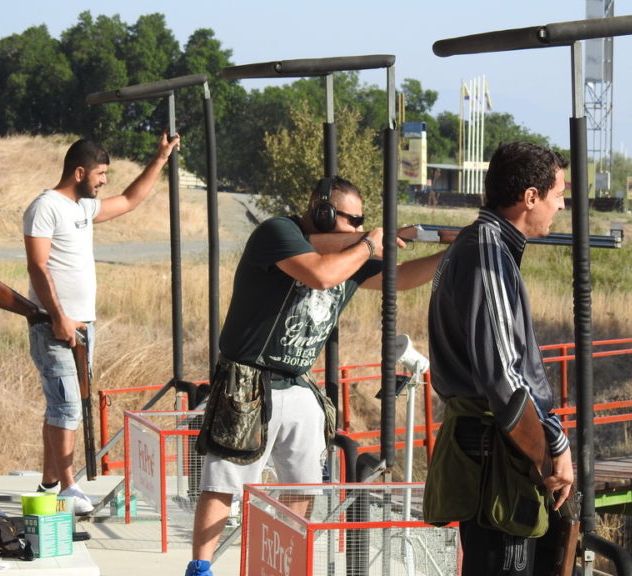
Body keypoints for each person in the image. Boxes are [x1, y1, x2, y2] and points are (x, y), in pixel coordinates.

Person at [185, 176, 444, 576]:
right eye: (352, 220)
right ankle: (200, 566)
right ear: (322, 212)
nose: (358, 229)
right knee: (225, 481)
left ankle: (284, 559)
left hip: (298, 380)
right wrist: (369, 244)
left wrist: (451, 255)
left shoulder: (353, 254)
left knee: (305, 484)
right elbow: (320, 275)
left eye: (362, 223)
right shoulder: (279, 232)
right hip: (248, 380)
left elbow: (403, 277)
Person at [425, 141, 574, 575]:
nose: (561, 205)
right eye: (557, 194)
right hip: (499, 460)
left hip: (492, 451)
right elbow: (504, 379)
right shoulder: (487, 251)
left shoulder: (482, 245)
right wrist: (551, 451)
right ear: (530, 197)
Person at [24, 132, 180, 515]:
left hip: (81, 328)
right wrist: (59, 317)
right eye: (100, 174)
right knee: (67, 409)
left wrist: (160, 158)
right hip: (53, 326)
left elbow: (129, 200)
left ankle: (48, 483)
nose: (104, 181)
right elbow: (37, 265)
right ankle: (68, 487)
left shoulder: (81, 208)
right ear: (79, 172)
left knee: (61, 407)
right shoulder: (46, 207)